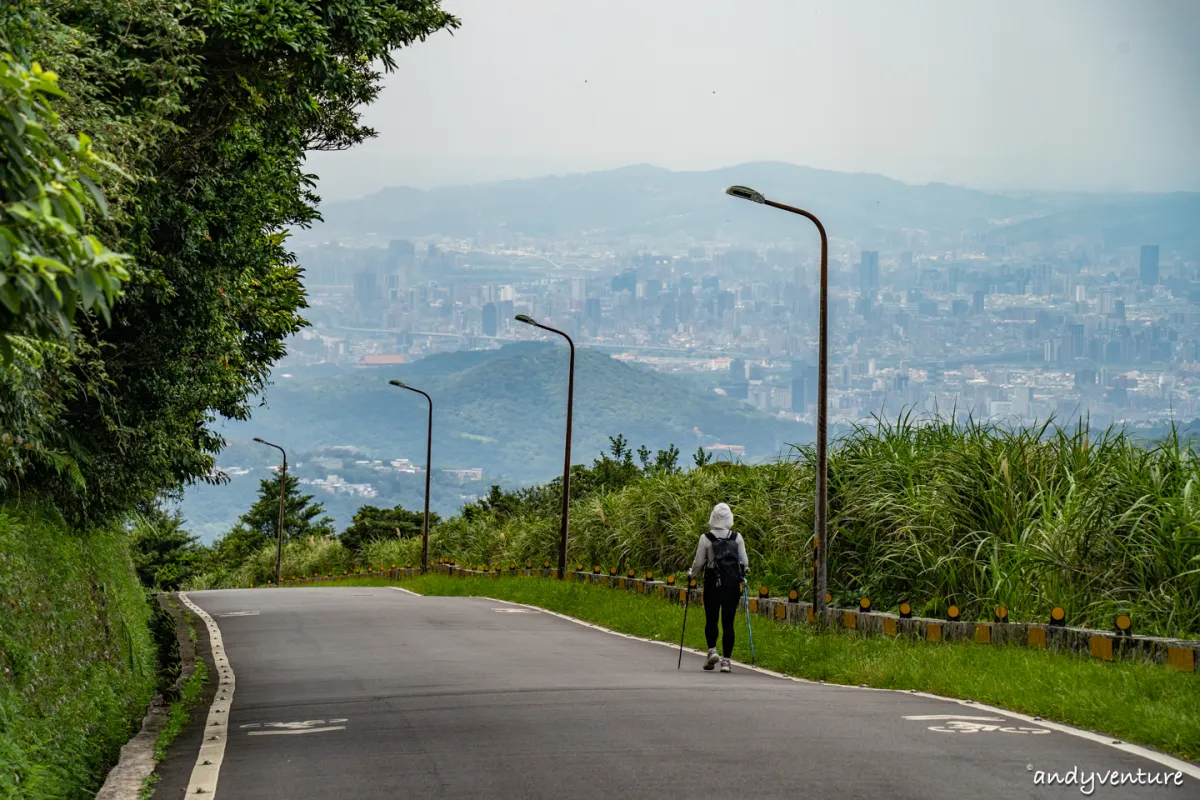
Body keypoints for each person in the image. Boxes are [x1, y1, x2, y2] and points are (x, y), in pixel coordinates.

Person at [687, 502, 747, 673]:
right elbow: (745, 562)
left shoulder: (706, 538)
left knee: (711, 618)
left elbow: (698, 563)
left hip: (713, 581)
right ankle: (726, 662)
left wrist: (691, 574)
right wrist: (743, 576)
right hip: (732, 583)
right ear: (730, 518)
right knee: (728, 622)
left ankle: (712, 650)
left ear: (712, 517)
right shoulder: (737, 537)